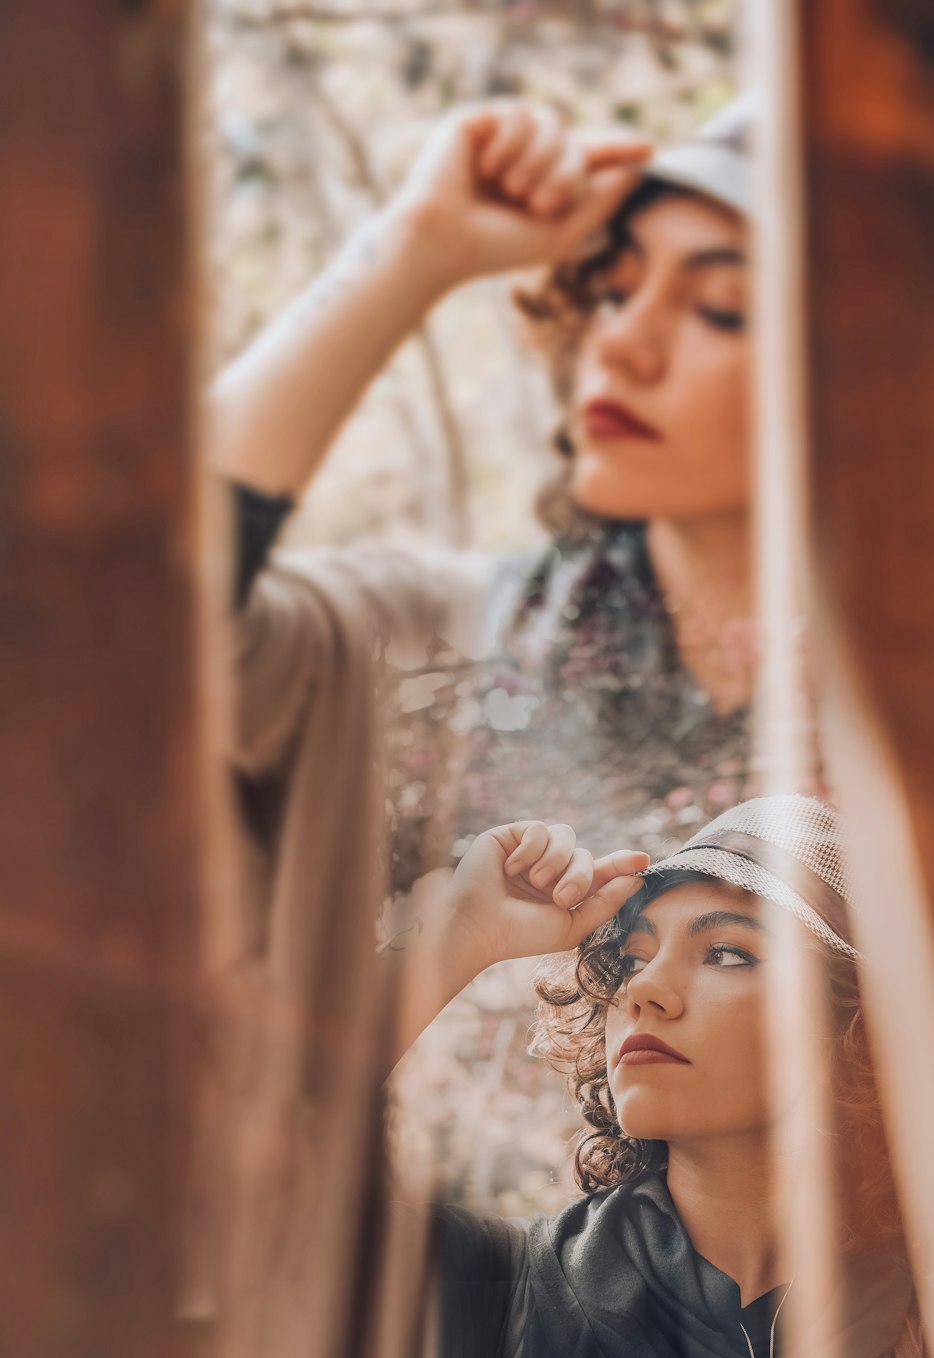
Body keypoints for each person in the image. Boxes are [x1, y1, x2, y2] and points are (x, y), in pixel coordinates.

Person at [212, 95, 770, 899]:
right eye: (615, 289)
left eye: (723, 308)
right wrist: (417, 248)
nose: (618, 341)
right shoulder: (433, 654)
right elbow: (120, 601)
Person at [385, 795, 931, 1358]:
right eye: (632, 958)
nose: (645, 989)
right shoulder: (500, 1292)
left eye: (726, 953)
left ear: (853, 1023)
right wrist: (458, 933)